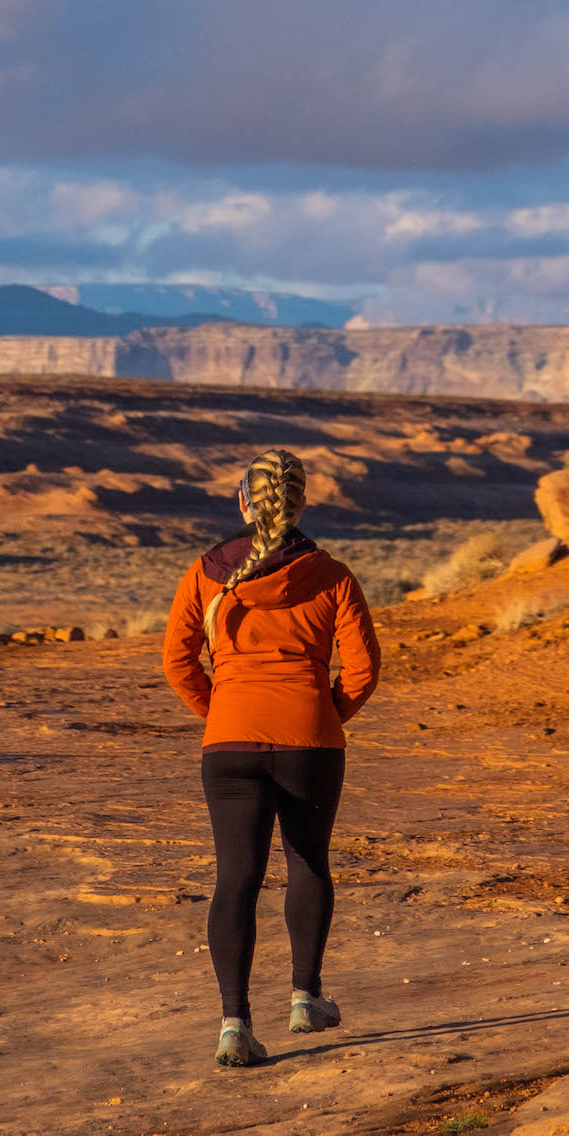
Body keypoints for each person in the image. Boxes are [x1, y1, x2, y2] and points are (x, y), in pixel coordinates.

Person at [162, 446, 381, 1067]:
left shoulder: (205, 573)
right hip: (310, 740)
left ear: (242, 500)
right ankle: (305, 998)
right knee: (308, 862)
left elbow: (178, 662)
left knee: (236, 877)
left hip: (228, 741)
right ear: (300, 502)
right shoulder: (333, 575)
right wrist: (322, 714)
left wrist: (221, 714)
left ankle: (234, 1024)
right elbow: (363, 669)